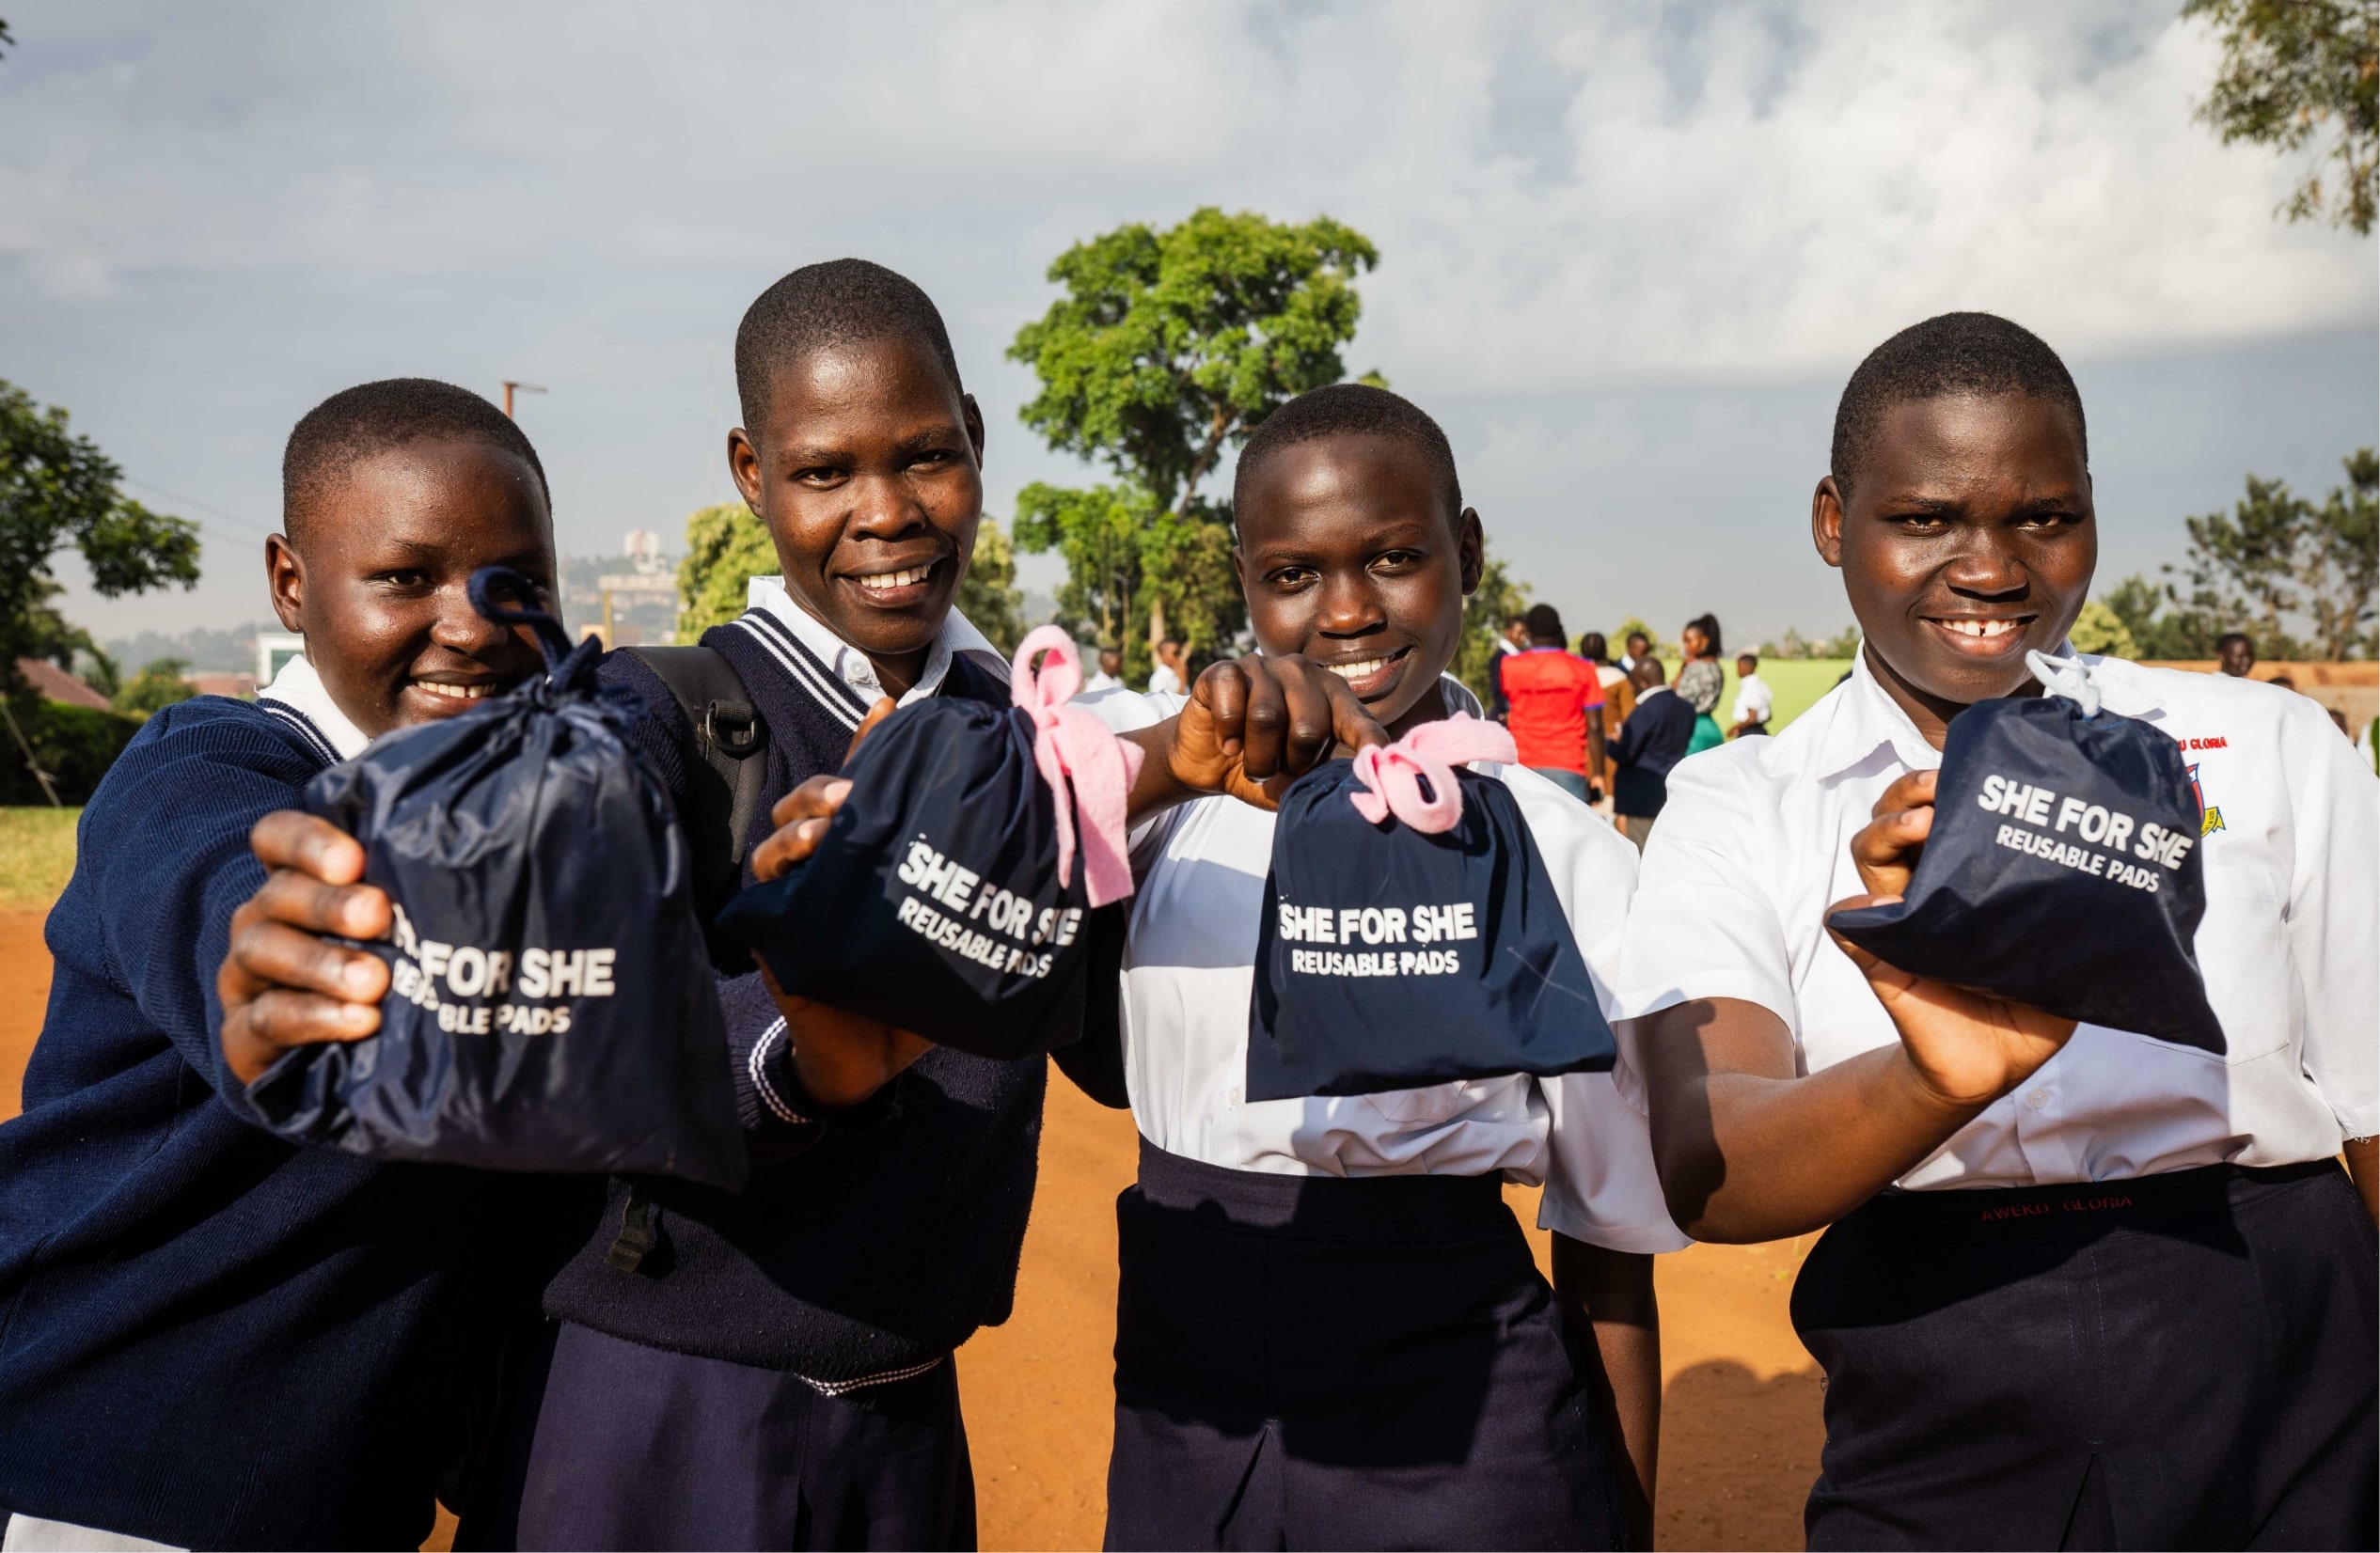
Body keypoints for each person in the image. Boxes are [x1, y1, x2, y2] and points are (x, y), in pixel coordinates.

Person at [224, 261, 1064, 1551]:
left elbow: (1105, 1034)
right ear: (750, 470)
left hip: (901, 1419)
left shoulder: (1027, 734)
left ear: (975, 442)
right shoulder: (659, 709)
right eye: (824, 471)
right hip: (654, 1407)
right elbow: (558, 965)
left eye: (926, 457)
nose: (885, 512)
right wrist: (790, 1045)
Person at [1625, 312, 2376, 1549]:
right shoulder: (1740, 805)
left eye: (2041, 515)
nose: (1989, 567)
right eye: (1922, 519)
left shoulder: (2259, 744)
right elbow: (1709, 1164)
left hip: (2273, 1324)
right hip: (1936, 1346)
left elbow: (2368, 1101)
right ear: (1830, 522)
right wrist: (1930, 1075)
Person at [1081, 385, 1682, 1550]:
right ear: (1245, 579)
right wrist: (1168, 765)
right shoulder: (1167, 806)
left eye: (1395, 556)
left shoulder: (1554, 851)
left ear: (1462, 550)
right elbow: (992, 845)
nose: (1347, 611)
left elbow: (1607, 1254)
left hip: (1464, 1427)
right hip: (1186, 1404)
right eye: (1292, 573)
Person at [0, 381, 570, 1550]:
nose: (470, 625)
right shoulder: (203, 770)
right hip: (108, 1481)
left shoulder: (529, 809)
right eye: (405, 578)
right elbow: (220, 890)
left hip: (343, 1492)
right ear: (291, 583)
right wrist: (278, 955)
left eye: (517, 582)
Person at [1493, 603, 1606, 802]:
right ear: (1559, 632)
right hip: (1568, 763)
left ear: (1528, 633)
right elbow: (1595, 726)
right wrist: (1598, 773)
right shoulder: (1583, 669)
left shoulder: (1510, 666)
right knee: (1570, 831)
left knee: (1524, 831)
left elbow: (1507, 706)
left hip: (1521, 763)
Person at [1604, 656, 1692, 851]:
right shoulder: (1686, 709)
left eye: (1632, 682)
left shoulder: (1645, 711)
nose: (1631, 688)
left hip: (1641, 797)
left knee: (1642, 854)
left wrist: (1609, 744)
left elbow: (1626, 754)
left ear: (1643, 682)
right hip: (1670, 792)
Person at [1676, 613, 1726, 755]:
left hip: (1693, 731)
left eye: (1688, 641)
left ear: (1704, 641)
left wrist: (1682, 669)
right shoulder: (1717, 667)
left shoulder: (1695, 668)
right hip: (1711, 728)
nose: (1685, 647)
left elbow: (1677, 697)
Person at [1579, 629, 1636, 734]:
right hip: (1613, 742)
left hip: (1581, 742)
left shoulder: (1575, 679)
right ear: (1605, 651)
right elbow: (1630, 716)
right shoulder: (1618, 677)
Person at [1727, 650, 1773, 738]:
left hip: (1750, 732)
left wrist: (1735, 728)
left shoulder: (1751, 687)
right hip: (1756, 730)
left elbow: (1752, 718)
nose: (1737, 670)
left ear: (1747, 667)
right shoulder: (1761, 685)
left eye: (1739, 666)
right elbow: (1769, 716)